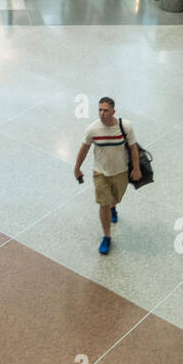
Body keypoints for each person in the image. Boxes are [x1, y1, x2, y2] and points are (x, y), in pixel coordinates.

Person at [73, 97, 141, 255]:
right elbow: (84, 149)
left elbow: (133, 148)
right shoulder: (92, 129)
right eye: (100, 110)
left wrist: (136, 169)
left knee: (115, 199)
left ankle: (113, 207)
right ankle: (107, 236)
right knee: (103, 204)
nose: (102, 113)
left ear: (113, 111)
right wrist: (77, 167)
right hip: (101, 173)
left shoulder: (125, 126)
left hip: (120, 172)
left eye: (106, 110)